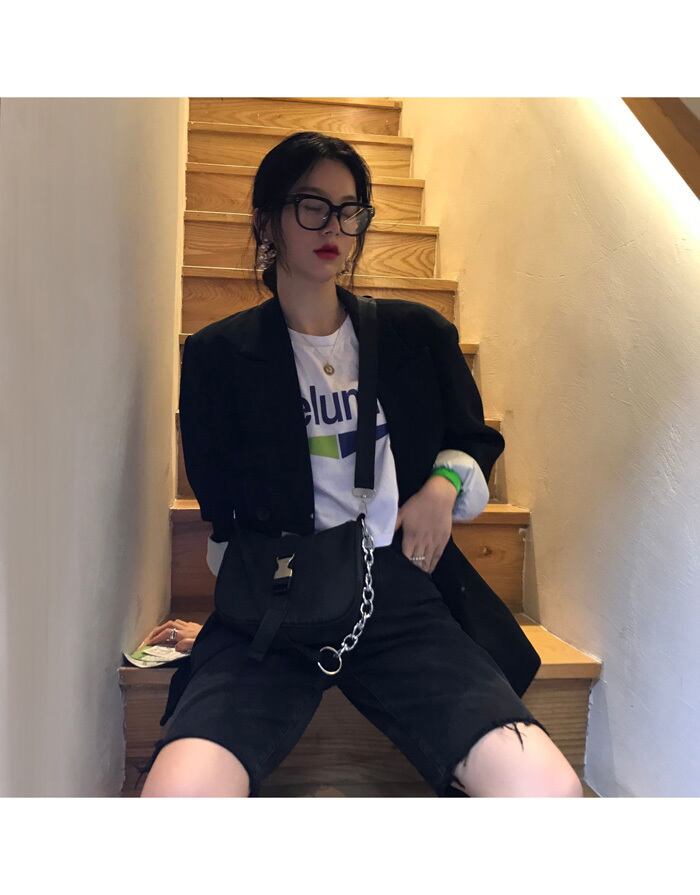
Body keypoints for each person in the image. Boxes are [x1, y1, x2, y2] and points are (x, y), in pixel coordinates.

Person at [139, 130, 583, 798]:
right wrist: (232, 614)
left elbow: (473, 441)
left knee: (547, 790)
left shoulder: (416, 335)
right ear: (266, 221)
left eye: (350, 210)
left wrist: (441, 487)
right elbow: (222, 513)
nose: (334, 227)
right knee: (177, 797)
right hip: (275, 602)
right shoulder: (216, 357)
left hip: (397, 592)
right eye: (312, 205)